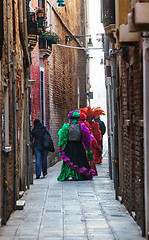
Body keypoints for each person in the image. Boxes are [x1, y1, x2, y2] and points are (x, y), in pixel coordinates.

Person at [57, 110, 95, 181]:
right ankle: (78, 175)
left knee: (70, 159)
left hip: (69, 146)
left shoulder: (66, 127)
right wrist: (88, 150)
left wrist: (60, 149)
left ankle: (70, 174)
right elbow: (86, 139)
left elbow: (62, 138)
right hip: (79, 146)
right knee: (79, 160)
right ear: (78, 118)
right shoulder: (82, 127)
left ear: (71, 118)